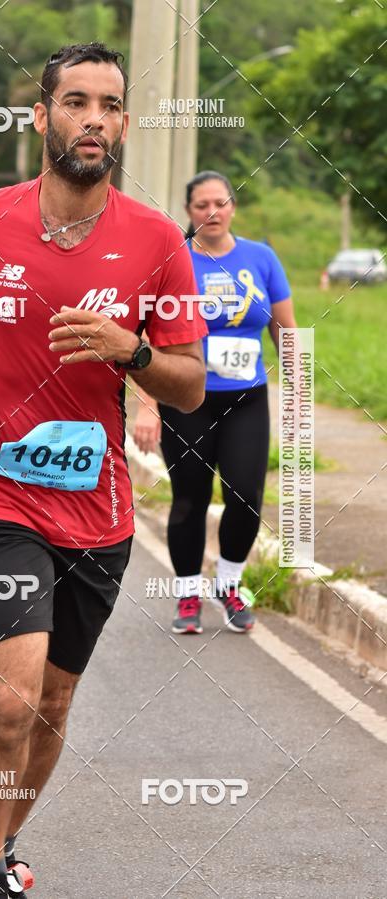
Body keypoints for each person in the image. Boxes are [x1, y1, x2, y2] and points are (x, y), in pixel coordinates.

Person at [0, 43, 207, 899]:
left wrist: (132, 350)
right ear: (42, 117)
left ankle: (5, 833)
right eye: (76, 102)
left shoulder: (157, 242)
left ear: (124, 125)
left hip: (98, 509)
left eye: (109, 105)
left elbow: (190, 383)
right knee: (12, 696)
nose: (93, 119)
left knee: (54, 703)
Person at [134, 170, 297, 636]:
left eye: (220, 203)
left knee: (245, 495)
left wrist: (299, 392)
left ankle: (228, 584)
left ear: (233, 207)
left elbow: (285, 330)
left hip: (247, 399)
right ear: (189, 212)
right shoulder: (174, 260)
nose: (212, 212)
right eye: (202, 205)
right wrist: (147, 406)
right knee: (190, 497)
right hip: (186, 400)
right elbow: (146, 340)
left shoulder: (261, 258)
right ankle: (188, 593)